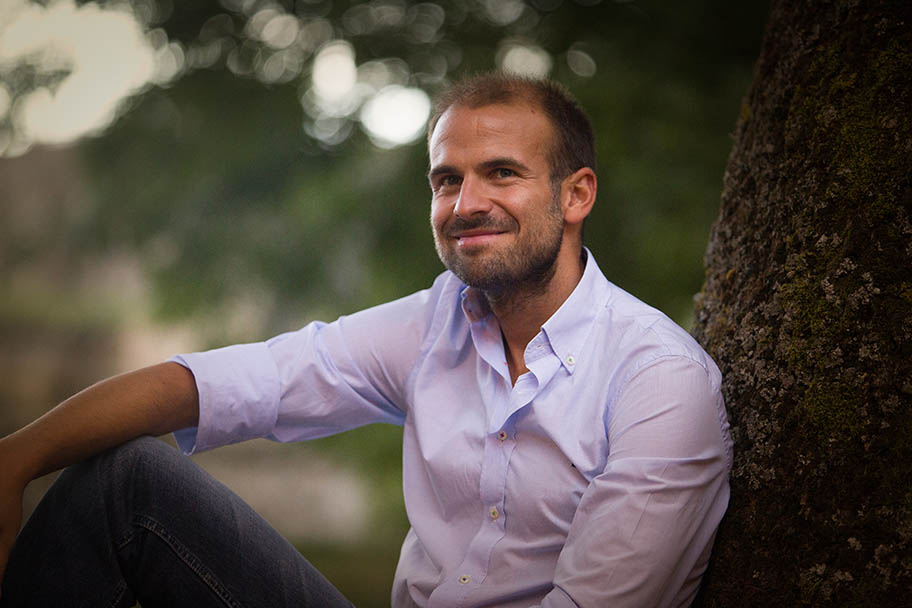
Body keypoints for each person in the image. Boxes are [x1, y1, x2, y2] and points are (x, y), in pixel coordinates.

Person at [0, 72, 732, 607]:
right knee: (127, 484)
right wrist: (16, 460)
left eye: (501, 173)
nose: (466, 204)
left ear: (576, 194)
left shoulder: (659, 381)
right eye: (446, 180)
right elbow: (238, 383)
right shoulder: (436, 322)